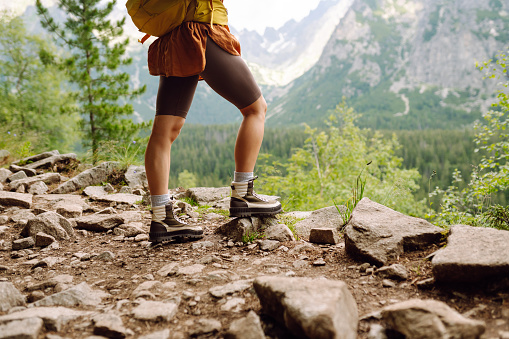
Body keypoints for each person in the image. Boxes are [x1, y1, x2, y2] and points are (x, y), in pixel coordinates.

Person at [144, 0, 282, 243]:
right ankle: (243, 194)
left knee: (164, 131)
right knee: (256, 108)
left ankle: (161, 218)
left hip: (174, 38)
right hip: (199, 31)